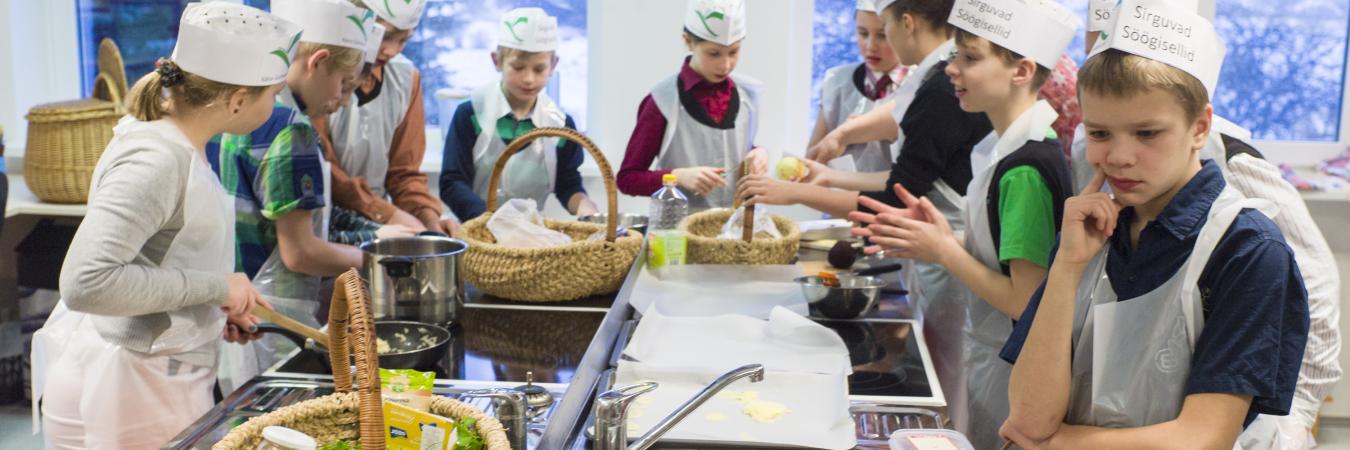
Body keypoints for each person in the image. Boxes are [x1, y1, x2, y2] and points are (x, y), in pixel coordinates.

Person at [999, 1, 1309, 447]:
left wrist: (1062, 443)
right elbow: (1028, 418)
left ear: (1200, 127)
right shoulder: (1087, 231)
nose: (1119, 157)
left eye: (1147, 134)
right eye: (1100, 134)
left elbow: (1203, 438)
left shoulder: (1248, 250)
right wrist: (1067, 268)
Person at [32, 3, 281, 447]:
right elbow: (87, 282)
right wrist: (216, 289)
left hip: (145, 374)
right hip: (129, 385)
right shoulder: (158, 159)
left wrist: (207, 309)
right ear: (238, 99)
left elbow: (160, 257)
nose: (276, 103)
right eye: (273, 93)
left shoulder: (180, 144)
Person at [738, 0, 991, 434]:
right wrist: (829, 176)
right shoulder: (931, 78)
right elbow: (904, 180)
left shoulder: (940, 87)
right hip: (933, 259)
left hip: (952, 267)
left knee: (952, 394)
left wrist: (796, 191)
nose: (878, 41)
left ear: (906, 23)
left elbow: (896, 199)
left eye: (884, 28)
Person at [851, 1, 1077, 447]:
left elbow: (1025, 299)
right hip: (992, 357)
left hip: (1011, 368)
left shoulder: (1026, 170)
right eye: (956, 55)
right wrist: (941, 237)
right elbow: (1003, 251)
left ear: (1021, 70)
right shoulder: (1005, 149)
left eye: (969, 58)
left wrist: (945, 251)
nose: (952, 69)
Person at [213, 0, 375, 393]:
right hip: (277, 323)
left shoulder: (244, 110)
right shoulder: (292, 130)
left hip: (239, 309)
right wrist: (378, 260)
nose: (345, 100)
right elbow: (299, 253)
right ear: (316, 62)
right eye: (345, 85)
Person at [439, 7, 598, 220]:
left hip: (529, 237)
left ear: (553, 66)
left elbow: (567, 182)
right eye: (518, 67)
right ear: (497, 61)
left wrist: (584, 205)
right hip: (476, 233)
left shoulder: (560, 125)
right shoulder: (472, 113)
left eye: (539, 69)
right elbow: (452, 182)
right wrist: (488, 220)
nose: (529, 79)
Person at [616, 0, 768, 210]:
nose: (725, 65)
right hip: (677, 237)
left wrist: (758, 153)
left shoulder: (746, 96)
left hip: (734, 232)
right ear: (688, 42)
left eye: (733, 52)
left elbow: (730, 148)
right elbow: (628, 179)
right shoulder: (663, 100)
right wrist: (676, 177)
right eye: (713, 53)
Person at [325, 0, 457, 233]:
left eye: (404, 40)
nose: (392, 50)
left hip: (379, 226)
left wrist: (428, 220)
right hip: (322, 220)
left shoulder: (406, 79)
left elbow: (404, 174)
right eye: (384, 37)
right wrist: (388, 214)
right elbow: (327, 170)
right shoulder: (321, 76)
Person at [808, 0, 907, 173]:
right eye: (862, 33)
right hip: (836, 196)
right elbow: (810, 158)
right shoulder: (837, 82)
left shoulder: (920, 86)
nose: (871, 46)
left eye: (882, 35)